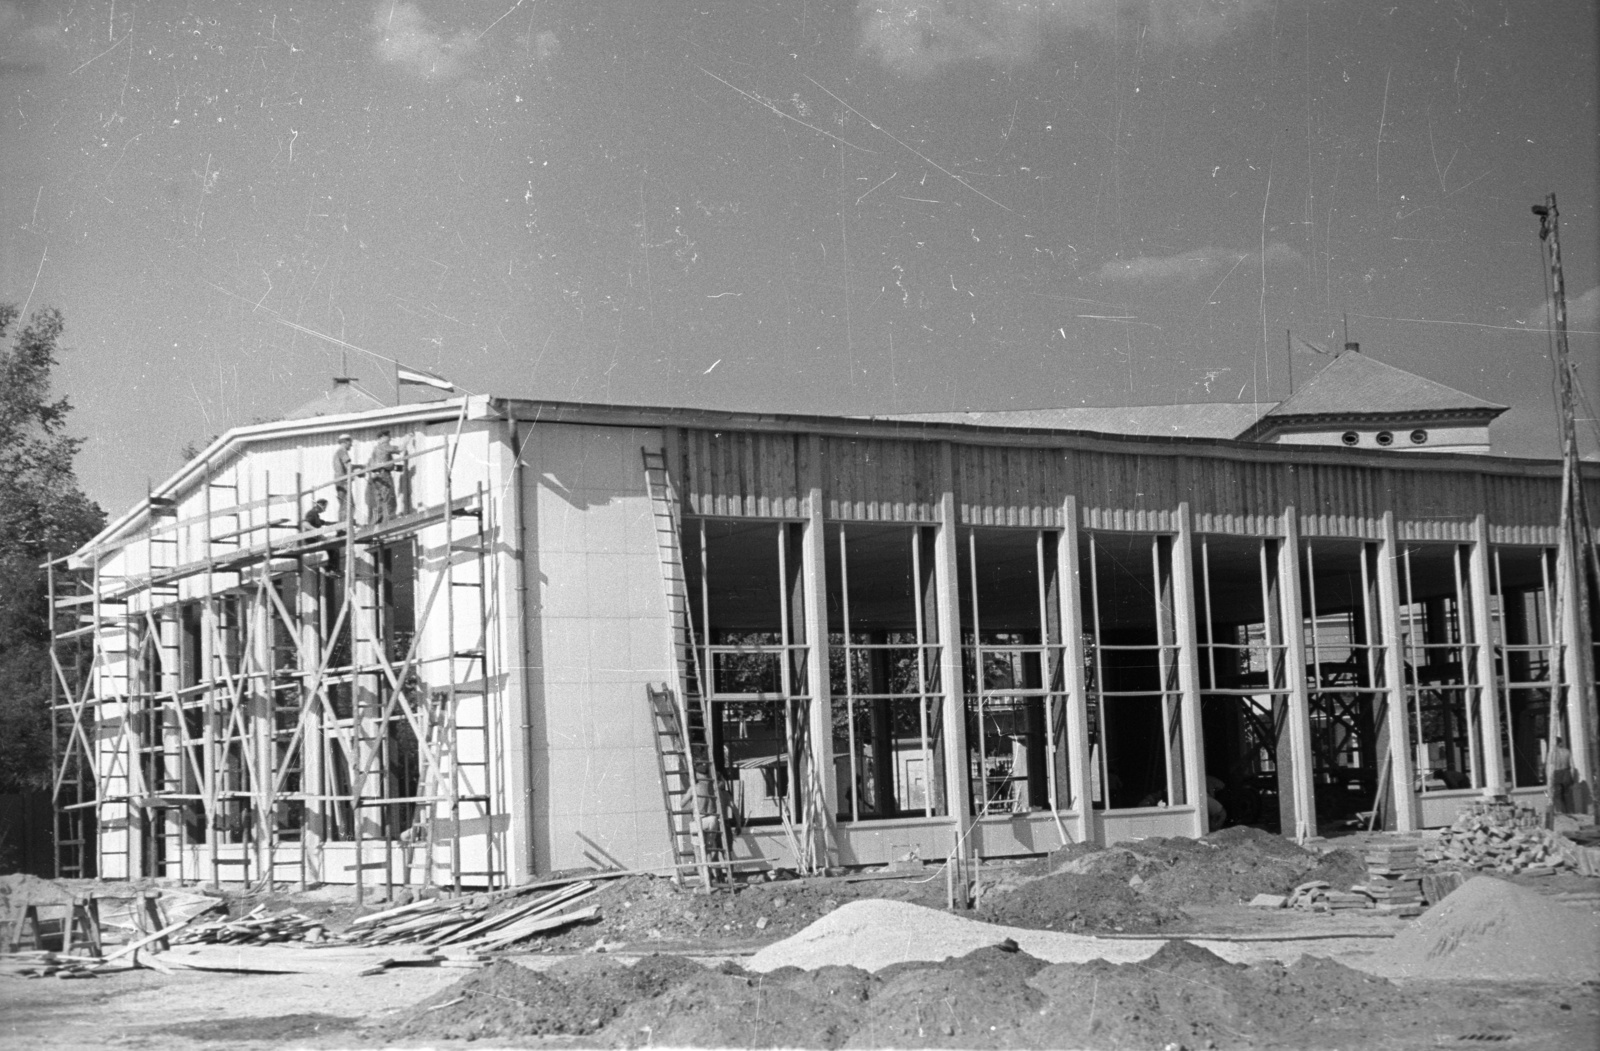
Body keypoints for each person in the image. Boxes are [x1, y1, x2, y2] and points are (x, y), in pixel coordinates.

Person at [366, 430, 399, 524]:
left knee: (379, 503)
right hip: (384, 476)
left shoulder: (375, 449)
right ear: (383, 437)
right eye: (388, 436)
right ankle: (391, 523)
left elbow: (372, 464)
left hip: (376, 477)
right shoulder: (384, 446)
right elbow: (400, 449)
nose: (390, 438)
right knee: (390, 500)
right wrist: (408, 438)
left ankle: (374, 525)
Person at [1547, 735, 1576, 815]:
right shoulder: (1567, 752)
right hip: (1566, 772)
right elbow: (1572, 766)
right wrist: (1572, 777)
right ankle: (1571, 813)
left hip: (1556, 773)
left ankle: (1562, 813)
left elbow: (1549, 768)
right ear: (1560, 743)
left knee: (1558, 796)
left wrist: (1549, 779)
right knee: (1568, 795)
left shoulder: (1551, 753)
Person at [332, 434, 354, 522]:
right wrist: (353, 474)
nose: (351, 445)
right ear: (345, 442)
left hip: (339, 481)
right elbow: (348, 465)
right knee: (348, 505)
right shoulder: (342, 451)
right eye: (350, 443)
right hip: (343, 481)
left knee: (344, 505)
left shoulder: (338, 452)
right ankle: (344, 528)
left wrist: (359, 466)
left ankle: (342, 528)